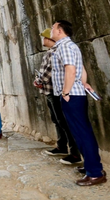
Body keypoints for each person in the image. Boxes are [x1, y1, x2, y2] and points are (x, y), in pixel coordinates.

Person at [50, 20, 106, 186]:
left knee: (82, 133)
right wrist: (84, 83)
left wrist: (66, 92)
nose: (50, 30)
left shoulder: (65, 46)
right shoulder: (70, 46)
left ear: (60, 30)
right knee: (83, 132)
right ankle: (93, 166)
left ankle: (95, 173)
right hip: (76, 93)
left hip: (71, 95)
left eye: (53, 28)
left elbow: (71, 69)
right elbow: (81, 68)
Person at [33, 28, 80, 164]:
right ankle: (62, 146)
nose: (42, 40)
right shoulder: (50, 52)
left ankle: (74, 152)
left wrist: (39, 81)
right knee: (57, 120)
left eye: (44, 37)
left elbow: (50, 70)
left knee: (63, 121)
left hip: (55, 90)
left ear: (49, 39)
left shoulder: (55, 51)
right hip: (50, 90)